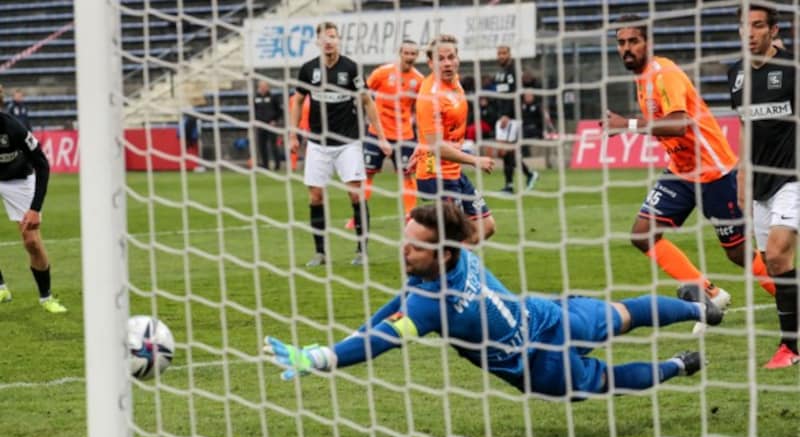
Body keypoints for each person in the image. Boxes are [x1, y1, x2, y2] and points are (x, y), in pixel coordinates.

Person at [263, 203, 723, 398]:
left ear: (442, 251)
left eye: (414, 245)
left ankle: (679, 366)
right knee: (622, 314)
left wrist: (320, 357)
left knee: (605, 382)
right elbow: (389, 312)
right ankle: (702, 308)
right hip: (547, 313)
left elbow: (382, 338)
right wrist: (338, 344)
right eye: (404, 240)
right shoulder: (455, 260)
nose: (403, 249)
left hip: (539, 365)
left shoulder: (429, 305)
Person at [606, 15, 776, 334]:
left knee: (738, 253)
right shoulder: (641, 78)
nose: (626, 48)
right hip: (681, 171)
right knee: (642, 233)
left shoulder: (664, 73)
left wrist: (626, 125)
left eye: (633, 41)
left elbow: (679, 123)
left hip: (714, 172)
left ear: (648, 43)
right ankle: (711, 293)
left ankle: (789, 299)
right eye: (621, 42)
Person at [288, 22, 391, 267]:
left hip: (348, 142)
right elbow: (298, 101)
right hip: (317, 143)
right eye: (325, 37)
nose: (329, 41)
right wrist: (293, 134)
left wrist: (382, 135)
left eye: (333, 37)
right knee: (315, 196)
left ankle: (361, 250)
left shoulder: (351, 68)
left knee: (355, 195)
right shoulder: (308, 70)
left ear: (338, 40)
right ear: (318, 42)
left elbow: (367, 102)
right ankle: (320, 253)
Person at [729, 4, 798, 368]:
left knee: (776, 254)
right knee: (772, 266)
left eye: (759, 26)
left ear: (773, 31)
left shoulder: (791, 72)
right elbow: (745, 126)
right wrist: (742, 173)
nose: (751, 32)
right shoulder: (735, 75)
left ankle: (792, 347)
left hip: (793, 176)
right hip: (760, 184)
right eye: (746, 26)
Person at [413, 34, 497, 244]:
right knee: (453, 238)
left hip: (453, 170)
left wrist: (421, 142)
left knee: (486, 227)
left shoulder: (455, 82)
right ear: (431, 63)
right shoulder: (430, 96)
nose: (447, 63)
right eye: (441, 59)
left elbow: (435, 129)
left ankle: (441, 268)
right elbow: (438, 148)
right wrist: (475, 160)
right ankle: (435, 273)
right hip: (436, 174)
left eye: (451, 57)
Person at [345, 41, 424, 230]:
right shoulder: (382, 73)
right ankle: (358, 216)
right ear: (400, 53)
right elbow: (363, 94)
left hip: (404, 134)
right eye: (407, 53)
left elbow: (420, 107)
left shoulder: (418, 80)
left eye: (413, 53)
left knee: (407, 175)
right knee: (367, 174)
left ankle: (409, 215)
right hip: (377, 133)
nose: (410, 57)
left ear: (417, 56)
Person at [0, 112, 64, 313]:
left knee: (32, 242)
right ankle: (1, 287)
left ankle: (46, 297)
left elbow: (42, 164)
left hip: (18, 179)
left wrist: (35, 209)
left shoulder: (13, 128)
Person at [493, 46, 538, 194]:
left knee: (505, 151)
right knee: (506, 152)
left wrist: (507, 114)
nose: (501, 56)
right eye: (499, 53)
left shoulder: (514, 71)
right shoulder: (500, 73)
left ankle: (510, 185)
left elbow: (516, 95)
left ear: (510, 54)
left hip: (512, 117)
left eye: (504, 53)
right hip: (502, 117)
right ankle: (528, 174)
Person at [253, 80, 283, 170]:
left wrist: (275, 120)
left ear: (267, 87)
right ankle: (265, 165)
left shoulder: (273, 97)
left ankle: (277, 165)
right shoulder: (255, 98)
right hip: (260, 125)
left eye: (264, 87)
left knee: (273, 145)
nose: (262, 88)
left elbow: (280, 111)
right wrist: (255, 121)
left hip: (271, 125)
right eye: (261, 87)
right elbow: (253, 111)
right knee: (262, 146)